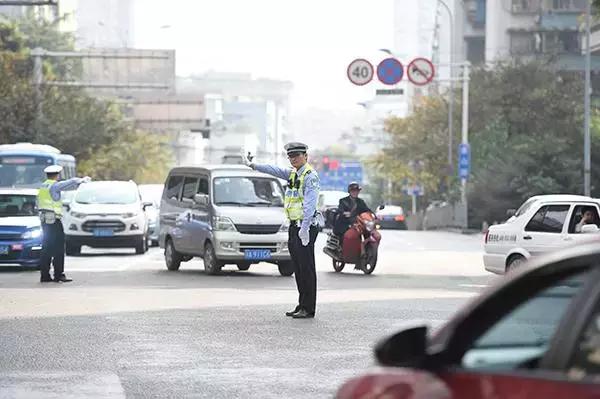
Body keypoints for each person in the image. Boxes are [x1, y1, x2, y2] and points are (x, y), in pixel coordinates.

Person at [243, 143, 320, 319]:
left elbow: (310, 205)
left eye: (297, 156)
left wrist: (305, 228)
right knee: (298, 268)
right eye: (291, 156)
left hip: (306, 227)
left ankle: (308, 308)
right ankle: (302, 304)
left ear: (306, 156)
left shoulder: (310, 176)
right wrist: (253, 166)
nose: (293, 159)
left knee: (307, 268)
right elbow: (274, 170)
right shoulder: (293, 173)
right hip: (295, 226)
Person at [37, 165, 91, 283]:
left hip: (45, 221)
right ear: (57, 175)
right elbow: (68, 183)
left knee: (46, 248)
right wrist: (82, 180)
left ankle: (45, 275)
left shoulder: (43, 185)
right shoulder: (54, 185)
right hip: (54, 221)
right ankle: (59, 275)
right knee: (59, 248)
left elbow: (67, 187)